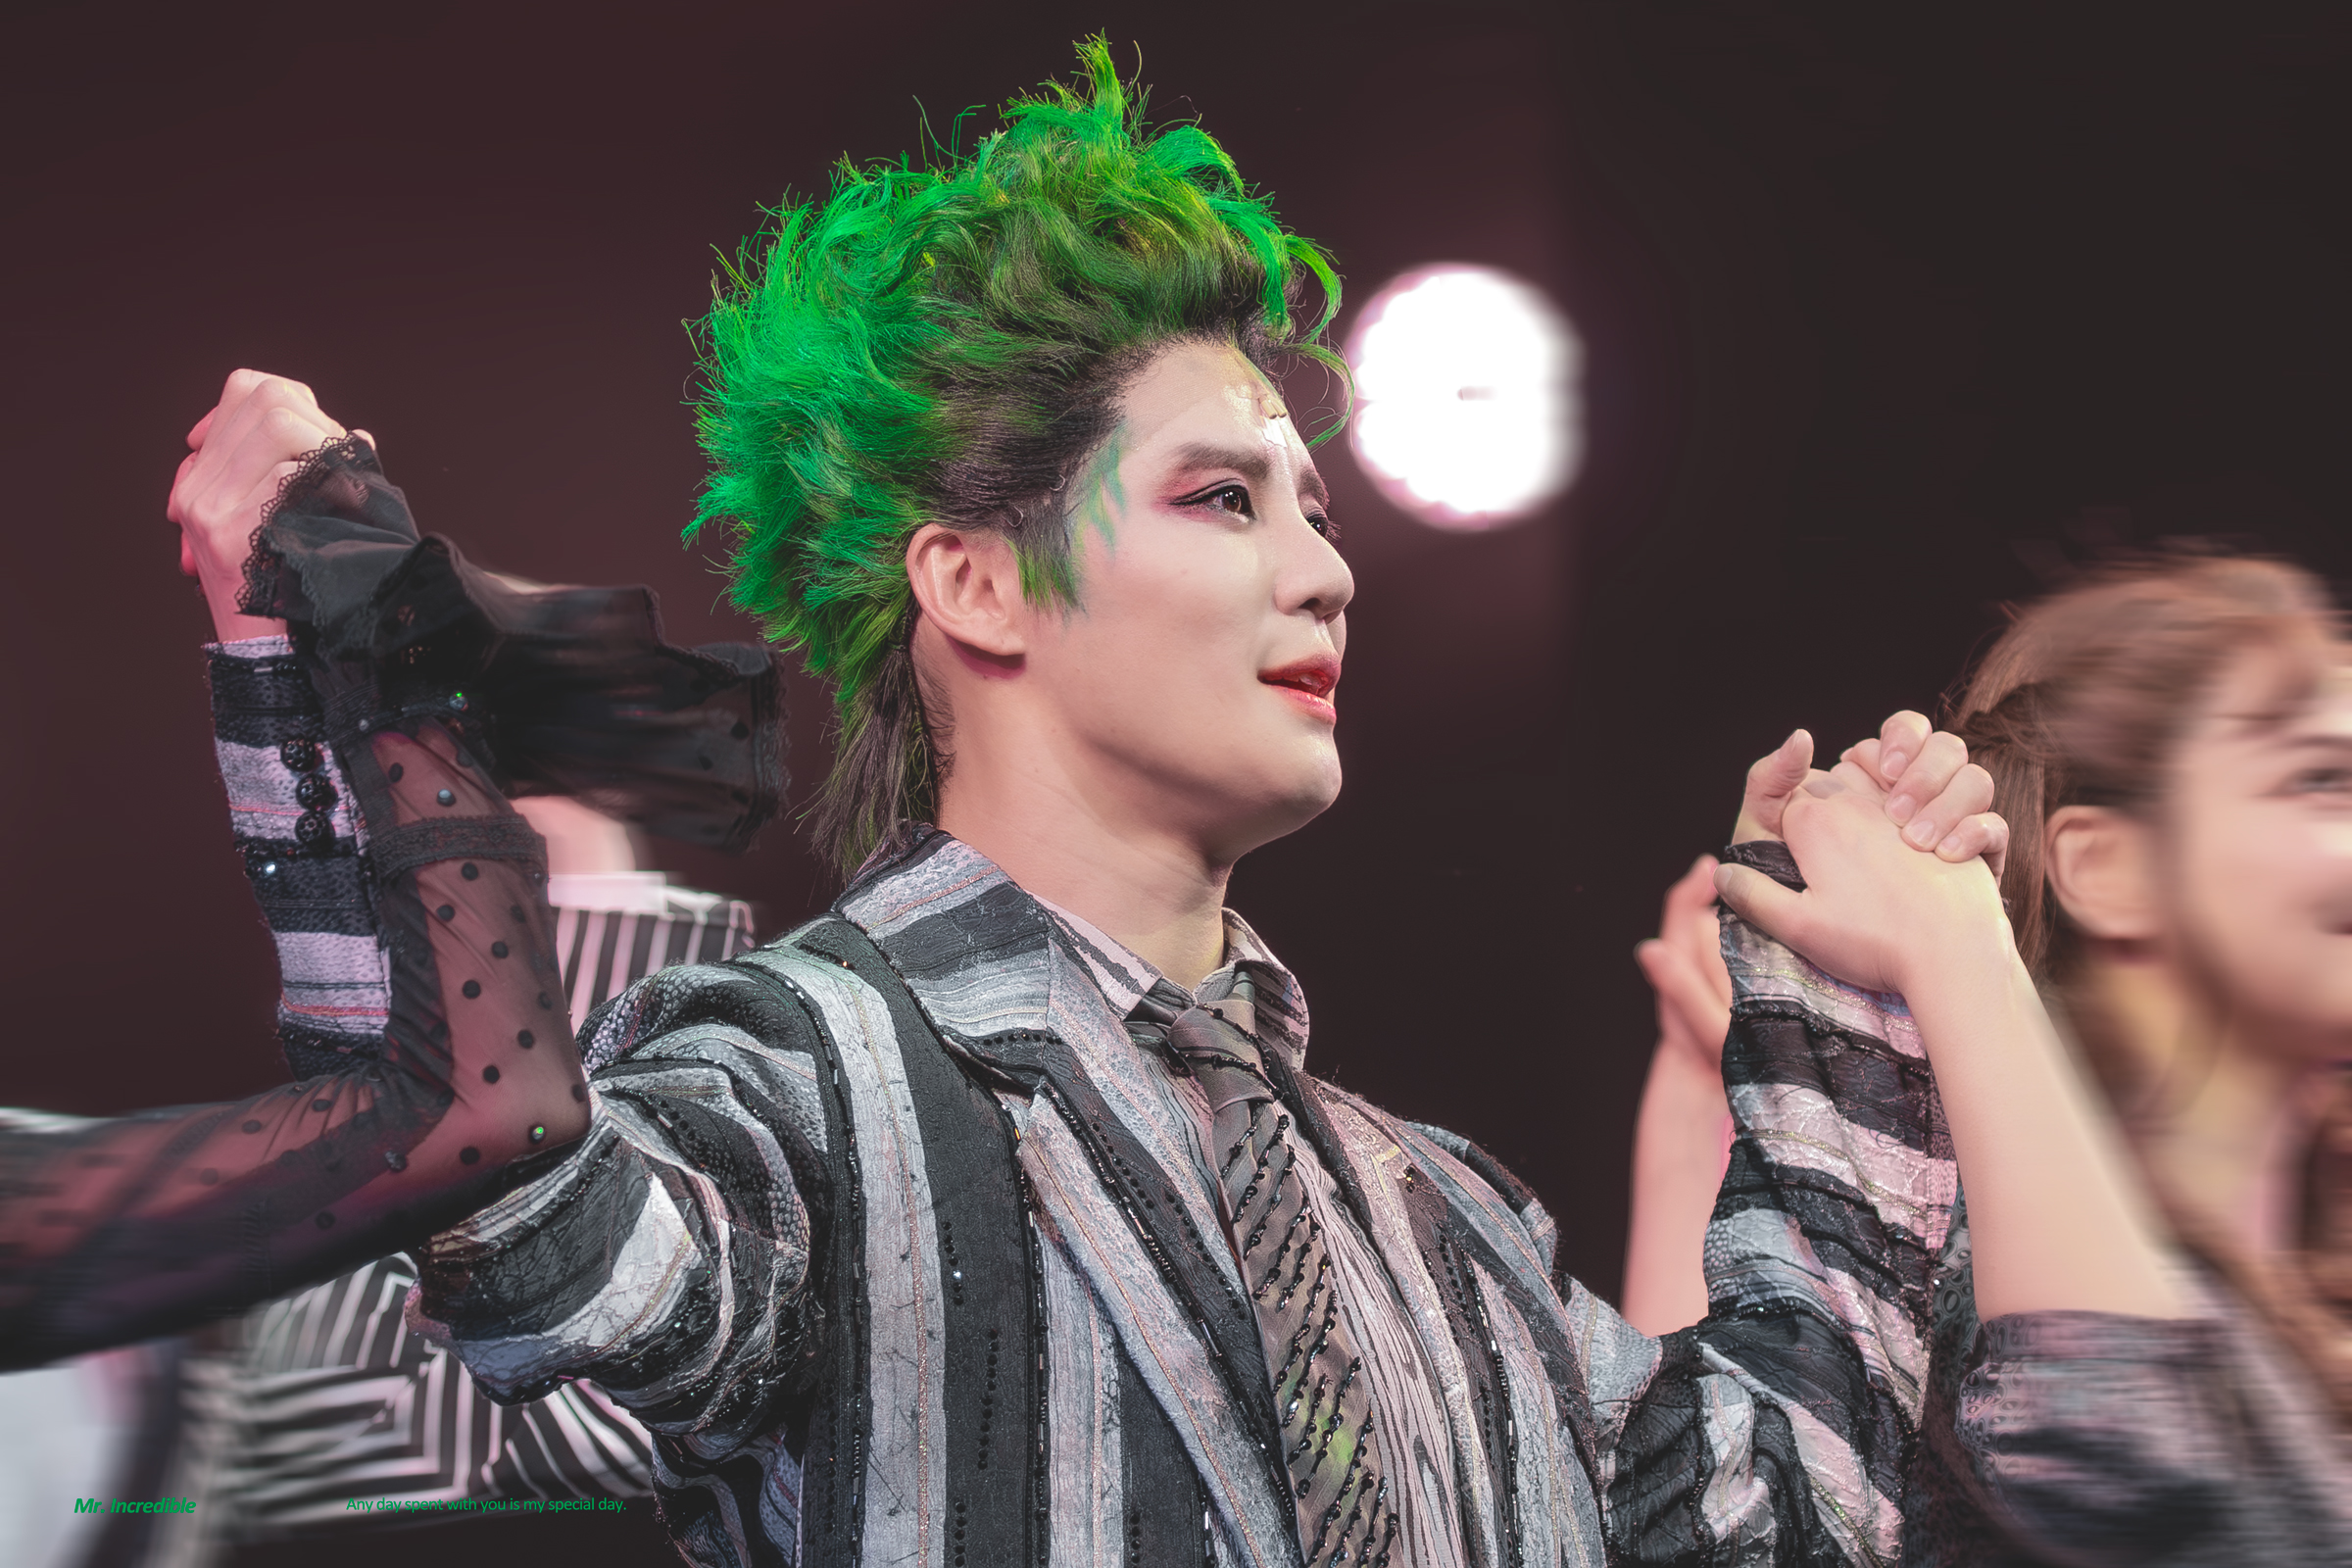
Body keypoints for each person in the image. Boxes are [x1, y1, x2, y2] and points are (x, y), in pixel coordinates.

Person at [169, 40, 2238, 1568]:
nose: (1326, 571)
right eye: (1222, 498)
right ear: (976, 584)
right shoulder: (808, 1074)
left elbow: (1774, 1515)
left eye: (1316, 509)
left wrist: (1832, 991)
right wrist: (340, 664)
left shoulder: (1444, 1214)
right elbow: (533, 1239)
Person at [1625, 552, 2352, 1560]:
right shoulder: (1972, 1302)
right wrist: (1950, 944)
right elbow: (2147, 1471)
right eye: (2322, 779)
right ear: (2107, 864)